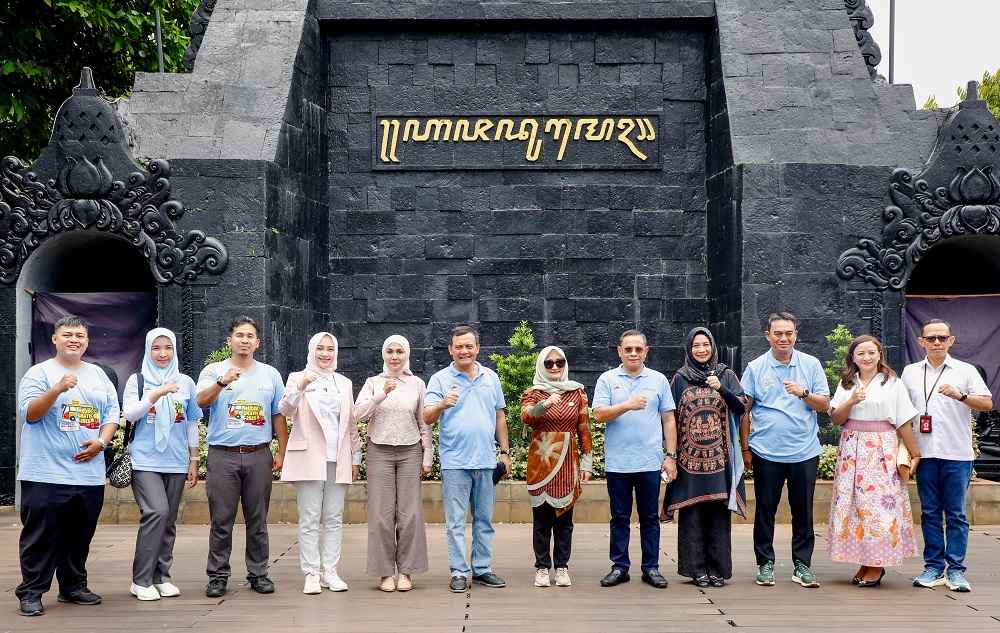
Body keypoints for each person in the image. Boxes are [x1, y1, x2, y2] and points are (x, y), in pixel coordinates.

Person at [15, 315, 120, 616]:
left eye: (80, 335)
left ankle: (72, 586)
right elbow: (30, 415)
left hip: (88, 474)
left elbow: (112, 414)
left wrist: (101, 442)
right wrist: (57, 389)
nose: (74, 339)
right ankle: (32, 591)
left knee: (79, 534)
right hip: (45, 472)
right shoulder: (40, 373)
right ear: (55, 339)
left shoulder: (99, 376)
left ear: (87, 341)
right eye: (68, 334)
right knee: (40, 534)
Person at [196, 316, 287, 597]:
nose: (244, 340)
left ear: (257, 343)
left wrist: (282, 450)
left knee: (257, 520)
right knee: (221, 520)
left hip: (258, 454)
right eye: (239, 335)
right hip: (223, 456)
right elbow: (200, 402)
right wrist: (222, 382)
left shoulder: (270, 374)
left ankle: (258, 573)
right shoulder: (214, 370)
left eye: (250, 336)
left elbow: (278, 414)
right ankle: (218, 576)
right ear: (229, 340)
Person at [902, 319, 993, 592]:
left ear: (951, 340)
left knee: (956, 514)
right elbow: (902, 410)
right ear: (921, 342)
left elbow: (987, 403)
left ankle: (956, 570)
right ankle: (933, 567)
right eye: (931, 338)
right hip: (925, 453)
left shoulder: (965, 371)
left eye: (942, 337)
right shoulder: (910, 372)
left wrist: (961, 396)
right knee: (930, 512)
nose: (937, 342)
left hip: (957, 453)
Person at [740, 311, 830, 588]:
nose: (783, 338)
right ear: (767, 335)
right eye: (777, 333)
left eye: (788, 333)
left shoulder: (811, 364)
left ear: (796, 334)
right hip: (766, 452)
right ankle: (764, 563)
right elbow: (744, 411)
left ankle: (802, 564)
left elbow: (824, 404)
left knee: (802, 511)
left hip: (804, 451)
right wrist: (745, 449)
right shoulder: (756, 367)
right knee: (765, 510)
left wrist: (803, 393)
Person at [827, 335, 921, 587]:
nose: (866, 358)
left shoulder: (892, 383)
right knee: (855, 505)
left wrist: (915, 453)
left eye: (871, 352)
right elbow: (836, 419)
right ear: (853, 358)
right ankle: (865, 561)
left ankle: (877, 564)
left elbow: (903, 420)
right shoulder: (847, 383)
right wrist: (851, 400)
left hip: (881, 449)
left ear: (880, 354)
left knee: (879, 506)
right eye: (861, 354)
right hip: (851, 448)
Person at [424, 325, 511, 593]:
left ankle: (482, 569)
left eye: (469, 346)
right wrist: (441, 405)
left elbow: (499, 416)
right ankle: (459, 572)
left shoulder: (490, 377)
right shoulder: (439, 379)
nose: (464, 351)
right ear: (451, 350)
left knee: (484, 521)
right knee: (456, 523)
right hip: (455, 463)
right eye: (458, 346)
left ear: (477, 348)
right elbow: (427, 417)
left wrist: (505, 452)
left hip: (485, 461)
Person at [121, 328, 202, 601]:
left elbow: (192, 422)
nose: (163, 353)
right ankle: (141, 580)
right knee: (156, 512)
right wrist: (156, 394)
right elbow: (130, 414)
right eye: (157, 348)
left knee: (168, 520)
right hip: (144, 460)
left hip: (176, 460)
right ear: (148, 350)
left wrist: (193, 459)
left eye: (168, 347)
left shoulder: (186, 383)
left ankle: (161, 576)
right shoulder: (138, 381)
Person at [592, 329, 677, 589]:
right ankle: (620, 566)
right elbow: (599, 415)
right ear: (619, 351)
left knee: (650, 517)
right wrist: (626, 405)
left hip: (649, 462)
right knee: (619, 517)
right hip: (618, 462)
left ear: (646, 351)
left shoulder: (658, 380)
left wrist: (671, 456)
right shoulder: (607, 379)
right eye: (628, 349)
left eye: (638, 349)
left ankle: (651, 567)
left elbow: (668, 419)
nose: (633, 353)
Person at [279, 331, 361, 594]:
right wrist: (300, 387)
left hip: (338, 457)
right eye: (320, 348)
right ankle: (311, 573)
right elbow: (285, 411)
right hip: (309, 457)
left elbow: (350, 424)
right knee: (310, 517)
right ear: (312, 350)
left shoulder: (344, 383)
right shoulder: (297, 378)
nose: (325, 354)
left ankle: (330, 571)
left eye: (330, 349)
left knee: (334, 517)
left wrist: (355, 457)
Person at [666, 327, 747, 588]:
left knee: (718, 514)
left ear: (712, 347)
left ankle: (717, 569)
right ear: (689, 350)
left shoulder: (726, 375)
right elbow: (670, 418)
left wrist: (722, 388)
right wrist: (671, 456)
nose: (701, 350)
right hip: (689, 462)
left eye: (705, 345)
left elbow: (742, 406)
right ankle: (696, 569)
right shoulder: (680, 378)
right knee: (692, 515)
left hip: (720, 460)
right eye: (696, 346)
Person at [353, 335, 431, 592]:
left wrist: (427, 454)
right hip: (379, 451)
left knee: (409, 514)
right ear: (383, 354)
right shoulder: (373, 382)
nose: (395, 356)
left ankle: (406, 571)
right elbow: (358, 415)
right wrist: (380, 395)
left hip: (410, 451)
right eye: (390, 351)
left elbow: (424, 422)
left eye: (399, 351)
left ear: (406, 354)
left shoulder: (417, 383)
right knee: (381, 514)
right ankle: (385, 572)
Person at [520, 346, 594, 588]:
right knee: (541, 520)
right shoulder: (534, 392)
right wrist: (544, 405)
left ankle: (562, 567)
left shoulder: (578, 392)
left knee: (565, 521)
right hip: (541, 461)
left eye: (559, 362)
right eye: (549, 363)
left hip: (568, 461)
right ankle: (542, 567)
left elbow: (583, 428)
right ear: (542, 366)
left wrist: (587, 461)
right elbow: (527, 417)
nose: (554, 367)